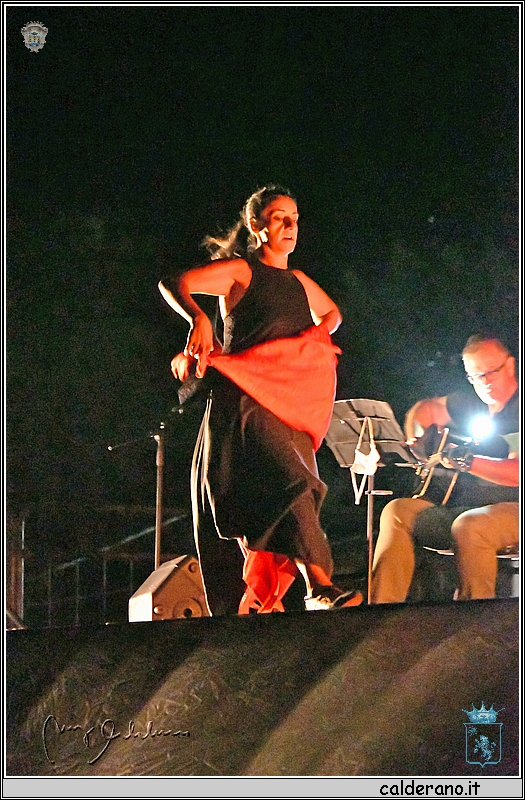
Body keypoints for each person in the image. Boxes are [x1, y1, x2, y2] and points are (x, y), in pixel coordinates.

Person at [159, 185, 362, 614]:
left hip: (286, 404)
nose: (290, 226)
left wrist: (307, 345)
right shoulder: (242, 273)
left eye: (295, 218)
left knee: (292, 494)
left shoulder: (299, 281)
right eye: (279, 217)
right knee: (293, 481)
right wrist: (198, 318)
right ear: (256, 225)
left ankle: (272, 599)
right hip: (245, 403)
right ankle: (319, 585)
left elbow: (333, 315)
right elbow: (175, 283)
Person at [371, 334, 519, 603]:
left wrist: (467, 462)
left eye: (491, 372)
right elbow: (427, 408)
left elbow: (516, 473)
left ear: (510, 366)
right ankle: (380, 614)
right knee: (397, 511)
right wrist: (419, 436)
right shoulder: (471, 404)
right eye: (475, 376)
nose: (484, 382)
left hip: (513, 507)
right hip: (468, 505)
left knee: (471, 525)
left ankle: (474, 620)